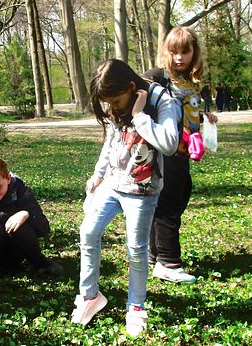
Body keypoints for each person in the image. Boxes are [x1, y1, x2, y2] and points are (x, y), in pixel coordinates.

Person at [71, 59, 181, 337]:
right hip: (112, 183)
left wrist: (140, 115)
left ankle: (135, 307)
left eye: (116, 101)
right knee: (88, 232)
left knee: (136, 249)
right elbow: (112, 140)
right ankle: (89, 296)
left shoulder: (162, 101)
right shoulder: (116, 105)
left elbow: (169, 144)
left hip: (142, 191)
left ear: (132, 87)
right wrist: (97, 176)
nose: (113, 108)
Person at [144, 26, 218, 284]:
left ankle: (153, 256)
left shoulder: (194, 82)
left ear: (194, 52)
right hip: (165, 151)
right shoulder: (157, 77)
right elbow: (136, 103)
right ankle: (169, 262)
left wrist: (205, 117)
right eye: (174, 51)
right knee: (169, 203)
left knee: (175, 197)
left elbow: (190, 110)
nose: (179, 57)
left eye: (185, 52)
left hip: (184, 151)